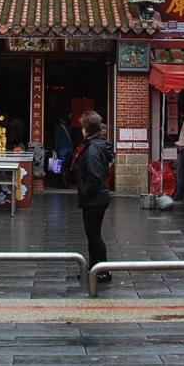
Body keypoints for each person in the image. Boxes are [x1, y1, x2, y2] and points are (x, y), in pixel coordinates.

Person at [76, 111, 114, 284]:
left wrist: (85, 192)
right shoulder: (98, 145)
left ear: (87, 129)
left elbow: (94, 175)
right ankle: (93, 269)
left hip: (94, 198)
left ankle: (104, 271)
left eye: (83, 127)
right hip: (98, 197)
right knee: (92, 236)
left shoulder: (92, 149)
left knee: (94, 236)